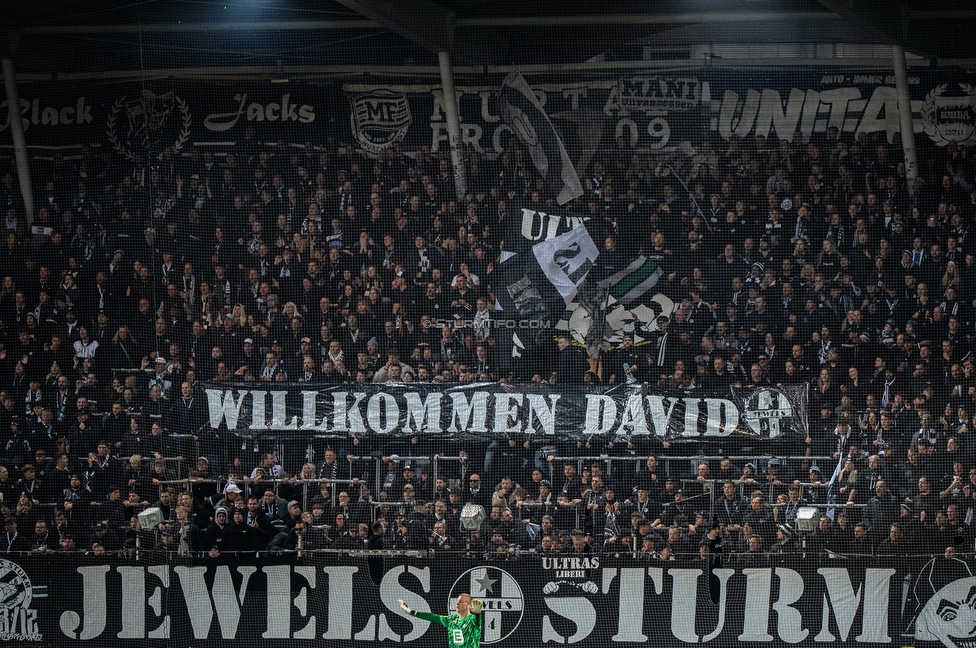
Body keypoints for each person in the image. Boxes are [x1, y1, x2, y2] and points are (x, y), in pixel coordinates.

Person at [398, 594, 484, 648]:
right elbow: (433, 617)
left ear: (469, 605)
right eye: (457, 601)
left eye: (461, 601)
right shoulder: (452, 619)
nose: (457, 603)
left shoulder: (472, 619)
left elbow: (477, 621)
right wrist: (411, 612)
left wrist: (477, 614)